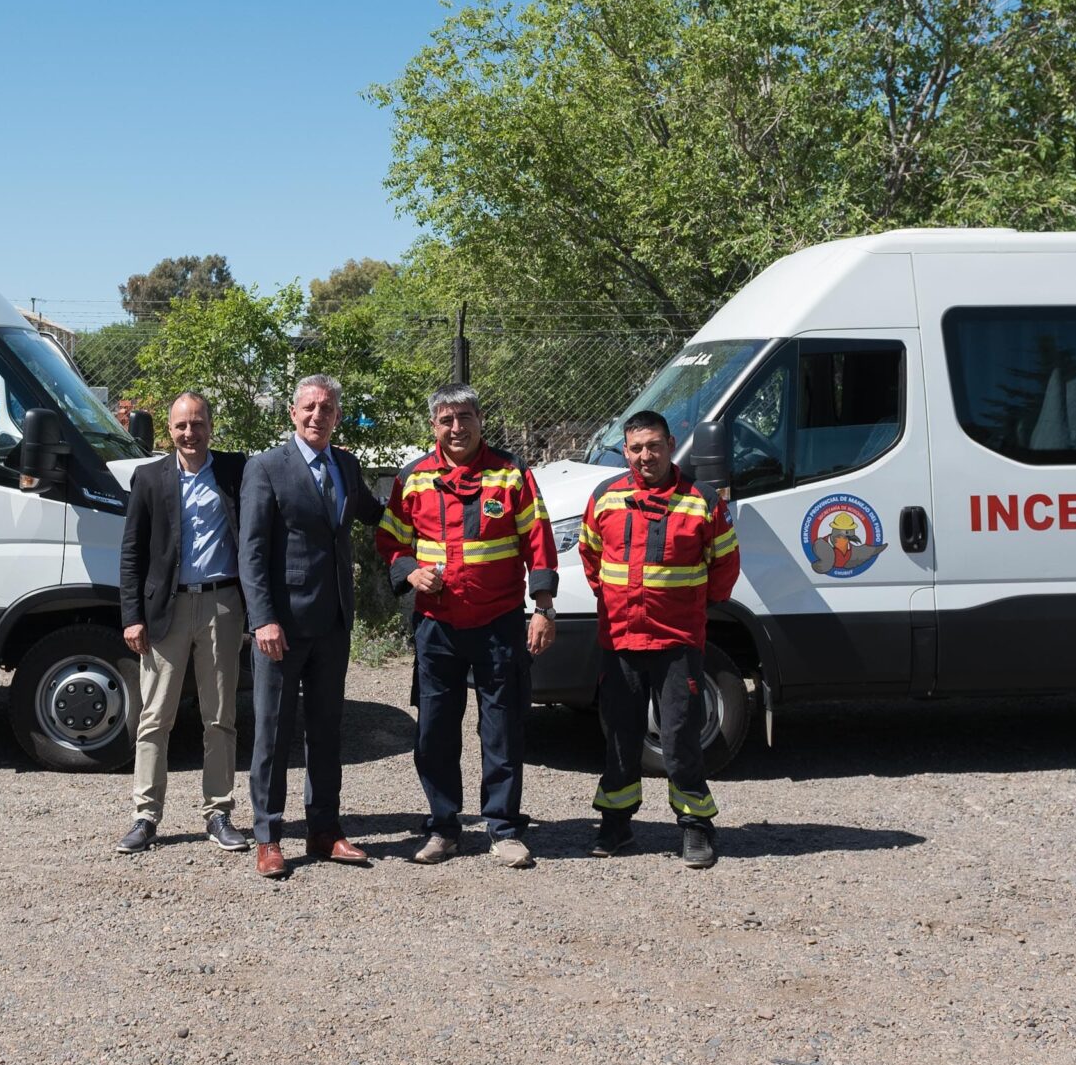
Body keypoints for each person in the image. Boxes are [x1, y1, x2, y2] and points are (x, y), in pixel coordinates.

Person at [375, 384, 556, 868]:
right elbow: (391, 539)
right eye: (447, 420)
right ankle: (443, 827)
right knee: (434, 731)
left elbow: (538, 540)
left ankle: (503, 829)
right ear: (434, 425)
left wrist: (543, 607)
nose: (457, 428)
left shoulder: (512, 473)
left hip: (499, 623)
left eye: (465, 417)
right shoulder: (413, 478)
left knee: (502, 730)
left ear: (480, 419)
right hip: (437, 626)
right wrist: (410, 572)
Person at [238, 373, 386, 879]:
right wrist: (263, 619)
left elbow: (377, 514)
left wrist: (426, 499)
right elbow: (251, 552)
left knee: (326, 731)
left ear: (337, 416)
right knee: (273, 734)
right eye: (309, 407)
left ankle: (325, 829)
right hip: (280, 628)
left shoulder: (346, 464)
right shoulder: (265, 468)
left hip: (332, 624)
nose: (317, 415)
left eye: (326, 408)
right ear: (293, 413)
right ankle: (268, 836)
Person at [579, 408, 740, 869]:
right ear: (625, 451)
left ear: (671, 445)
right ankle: (616, 823)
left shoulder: (701, 500)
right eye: (636, 448)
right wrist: (614, 599)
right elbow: (590, 555)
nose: (645, 456)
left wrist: (689, 607)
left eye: (653, 446)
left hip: (677, 641)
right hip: (620, 639)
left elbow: (725, 565)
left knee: (680, 736)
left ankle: (695, 826)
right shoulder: (605, 497)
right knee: (619, 735)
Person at [115, 392, 250, 855]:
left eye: (198, 423)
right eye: (181, 425)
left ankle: (219, 812)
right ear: (169, 430)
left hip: (222, 605)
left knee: (220, 717)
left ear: (211, 425)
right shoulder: (150, 477)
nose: (190, 433)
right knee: (154, 718)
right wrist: (132, 616)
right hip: (165, 611)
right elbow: (132, 552)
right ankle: (145, 816)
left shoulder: (235, 471)